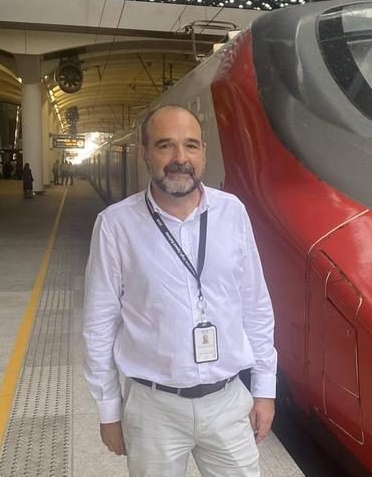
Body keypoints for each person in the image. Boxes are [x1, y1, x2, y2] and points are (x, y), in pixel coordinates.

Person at [83, 105, 276, 477]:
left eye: (190, 146)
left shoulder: (232, 212)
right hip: (153, 408)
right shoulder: (115, 225)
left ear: (204, 151)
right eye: (165, 146)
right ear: (144, 154)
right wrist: (109, 409)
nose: (179, 159)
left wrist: (265, 388)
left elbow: (255, 305)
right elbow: (99, 323)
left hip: (227, 402)